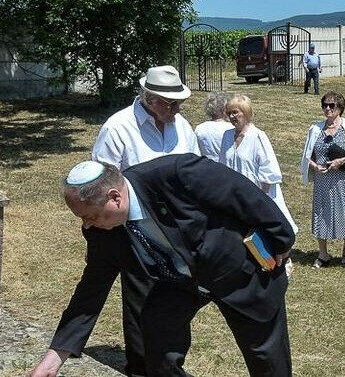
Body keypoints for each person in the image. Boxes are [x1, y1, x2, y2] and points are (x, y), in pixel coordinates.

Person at [30, 156, 294, 377]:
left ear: (115, 197)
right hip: (179, 281)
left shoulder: (177, 173)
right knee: (156, 333)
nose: (87, 225)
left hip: (235, 269)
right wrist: (53, 360)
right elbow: (90, 291)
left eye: (91, 216)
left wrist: (281, 238)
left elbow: (243, 194)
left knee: (266, 356)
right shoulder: (102, 231)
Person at [89, 64, 200, 375]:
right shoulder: (118, 127)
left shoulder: (182, 126)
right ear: (149, 99)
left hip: (175, 228)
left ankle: (171, 364)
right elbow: (103, 182)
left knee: (178, 297)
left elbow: (194, 169)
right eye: (171, 103)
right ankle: (141, 367)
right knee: (142, 299)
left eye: (179, 103)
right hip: (134, 228)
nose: (177, 109)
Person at [301, 91, 345, 268]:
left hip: (344, 177)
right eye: (324, 105)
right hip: (323, 179)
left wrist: (342, 161)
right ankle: (323, 253)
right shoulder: (315, 129)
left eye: (331, 105)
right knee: (321, 212)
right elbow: (307, 155)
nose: (327, 108)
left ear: (340, 108)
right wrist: (315, 166)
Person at [220, 94, 298, 234]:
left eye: (235, 112)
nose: (232, 116)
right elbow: (223, 167)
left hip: (257, 196)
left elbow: (269, 169)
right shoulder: (227, 136)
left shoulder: (257, 136)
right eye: (229, 113)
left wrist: (259, 199)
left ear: (246, 112)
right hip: (235, 197)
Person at [194, 91, 233, 162]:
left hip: (206, 165)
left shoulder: (200, 128)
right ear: (223, 109)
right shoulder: (231, 128)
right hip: (226, 166)